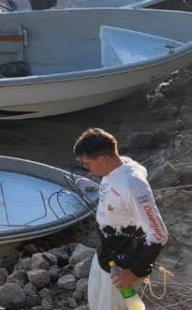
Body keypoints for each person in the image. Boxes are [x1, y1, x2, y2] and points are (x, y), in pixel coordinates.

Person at [73, 128, 167, 310]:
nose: (88, 170)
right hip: (106, 254)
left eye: (87, 164)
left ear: (102, 159)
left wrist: (135, 271)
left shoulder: (132, 184)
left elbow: (159, 234)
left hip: (123, 265)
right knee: (95, 302)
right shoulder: (119, 166)